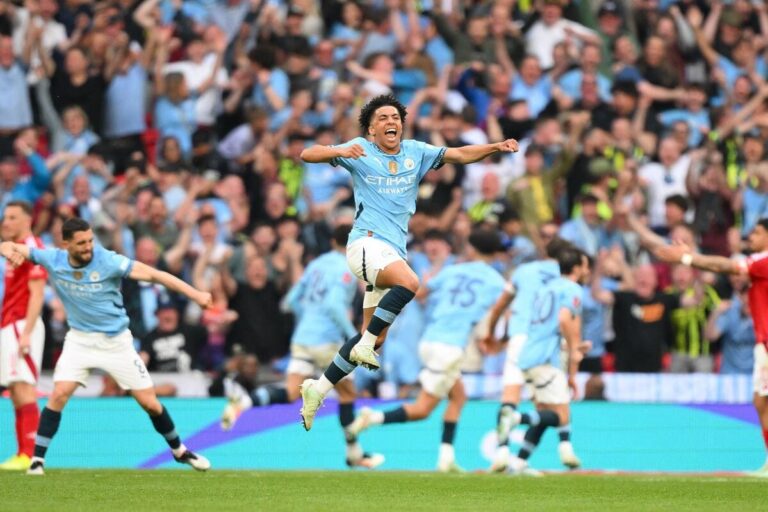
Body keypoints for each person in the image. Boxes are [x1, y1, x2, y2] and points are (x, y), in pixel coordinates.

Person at [297, 94, 519, 430]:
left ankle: (319, 388)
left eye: (395, 117)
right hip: (366, 244)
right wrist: (339, 151)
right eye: (383, 118)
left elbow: (458, 155)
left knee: (372, 336)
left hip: (392, 252)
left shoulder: (417, 152)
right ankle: (365, 346)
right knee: (410, 283)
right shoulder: (360, 149)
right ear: (371, 129)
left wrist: (495, 146)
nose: (391, 122)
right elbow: (306, 153)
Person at [0, 218, 213, 475]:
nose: (89, 246)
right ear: (66, 244)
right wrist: (8, 251)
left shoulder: (109, 261)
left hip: (116, 342)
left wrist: (196, 294)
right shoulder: (52, 259)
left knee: (150, 403)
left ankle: (179, 450)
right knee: (58, 395)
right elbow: (10, 245)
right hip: (80, 341)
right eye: (81, 243)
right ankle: (37, 462)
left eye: (90, 240)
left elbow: (156, 275)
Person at [220, 225, 384, 469]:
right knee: (349, 394)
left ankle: (243, 402)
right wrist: (357, 337)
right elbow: (334, 305)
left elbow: (290, 301)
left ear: (332, 242)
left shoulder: (316, 264)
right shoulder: (347, 268)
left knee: (290, 392)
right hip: (327, 341)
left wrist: (309, 318)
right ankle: (354, 454)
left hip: (303, 337)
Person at [345, 229, 507, 472]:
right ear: (495, 253)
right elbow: (499, 312)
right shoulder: (496, 281)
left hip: (429, 340)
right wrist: (491, 337)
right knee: (422, 410)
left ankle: (446, 457)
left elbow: (419, 293)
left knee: (458, 396)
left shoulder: (452, 270)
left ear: (472, 248)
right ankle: (373, 418)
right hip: (450, 347)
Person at [653, 218, 768, 477]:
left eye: (758, 232)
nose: (752, 236)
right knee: (760, 402)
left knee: (762, 402)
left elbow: (727, 266)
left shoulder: (763, 261)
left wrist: (687, 259)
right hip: (763, 343)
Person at [482, 237, 578, 472]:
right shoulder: (566, 277)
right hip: (547, 342)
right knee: (549, 406)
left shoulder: (524, 271)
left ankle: (504, 453)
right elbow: (570, 315)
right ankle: (528, 458)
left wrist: (492, 333)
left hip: (519, 338)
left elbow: (500, 305)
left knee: (510, 397)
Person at [0, 202, 46, 471]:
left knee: (25, 387)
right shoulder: (13, 247)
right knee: (15, 388)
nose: (6, 222)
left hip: (22, 324)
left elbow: (37, 293)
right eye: (5, 217)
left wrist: (26, 333)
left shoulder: (32, 247)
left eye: (13, 217)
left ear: (28, 220)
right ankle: (22, 453)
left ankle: (31, 455)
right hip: (9, 323)